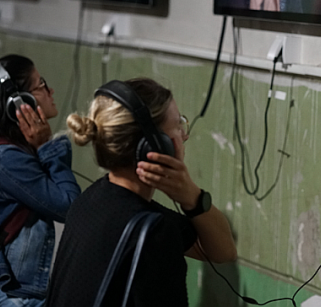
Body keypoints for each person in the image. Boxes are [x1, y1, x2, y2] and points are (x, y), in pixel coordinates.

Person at [46, 78, 237, 307]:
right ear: (155, 145)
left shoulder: (90, 200)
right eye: (177, 125)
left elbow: (222, 251)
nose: (184, 135)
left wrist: (193, 197)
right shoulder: (154, 233)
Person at [0, 55, 80, 307]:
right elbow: (71, 208)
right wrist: (47, 146)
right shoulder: (6, 160)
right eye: (41, 84)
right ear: (20, 102)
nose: (51, 91)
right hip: (10, 299)